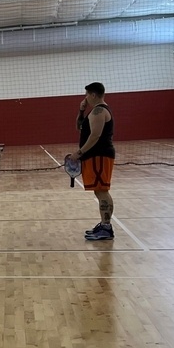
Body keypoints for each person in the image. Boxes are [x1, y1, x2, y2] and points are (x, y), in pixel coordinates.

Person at [68, 82, 115, 241]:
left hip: (99, 156)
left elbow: (95, 136)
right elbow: (79, 127)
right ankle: (104, 224)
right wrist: (81, 110)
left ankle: (106, 228)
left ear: (94, 95)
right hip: (94, 156)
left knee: (102, 190)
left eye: (87, 94)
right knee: (99, 190)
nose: (86, 97)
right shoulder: (93, 111)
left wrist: (79, 153)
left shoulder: (99, 111)